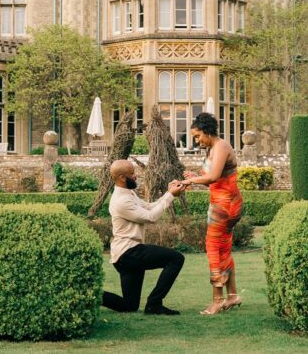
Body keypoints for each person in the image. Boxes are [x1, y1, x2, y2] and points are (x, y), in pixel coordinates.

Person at [101, 159, 187, 315]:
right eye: (132, 173)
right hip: (129, 252)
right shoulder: (121, 201)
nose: (136, 176)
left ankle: (93, 295)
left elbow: (149, 207)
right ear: (122, 177)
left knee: (130, 305)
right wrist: (170, 196)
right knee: (175, 258)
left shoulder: (128, 193)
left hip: (125, 255)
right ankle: (154, 304)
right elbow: (150, 217)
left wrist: (169, 193)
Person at [181, 112, 243, 315]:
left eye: (198, 136)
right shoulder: (212, 149)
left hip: (226, 205)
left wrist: (190, 181)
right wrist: (196, 177)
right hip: (220, 203)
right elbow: (214, 180)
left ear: (207, 131)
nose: (196, 141)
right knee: (223, 249)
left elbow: (214, 176)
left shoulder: (221, 146)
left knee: (213, 248)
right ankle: (232, 296)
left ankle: (217, 300)